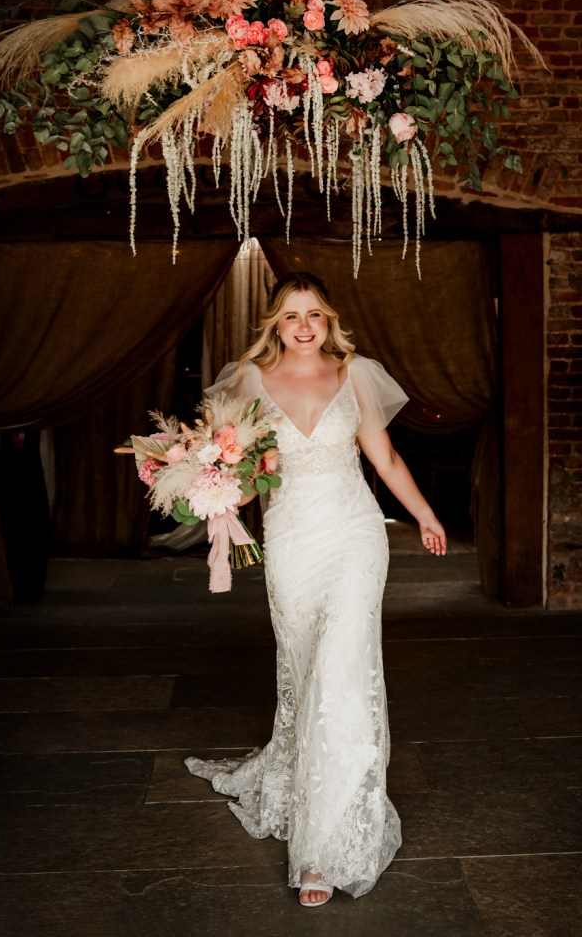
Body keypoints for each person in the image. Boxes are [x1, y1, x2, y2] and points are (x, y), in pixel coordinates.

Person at [185, 271, 446, 906]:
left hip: (355, 535)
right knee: (308, 674)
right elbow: (247, 475)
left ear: (329, 320)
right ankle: (299, 776)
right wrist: (215, 489)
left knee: (341, 675)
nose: (304, 326)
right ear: (275, 323)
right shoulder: (249, 382)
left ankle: (323, 850)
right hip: (293, 543)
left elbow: (383, 459)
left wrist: (424, 514)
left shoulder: (355, 373)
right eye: (292, 316)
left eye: (315, 315)